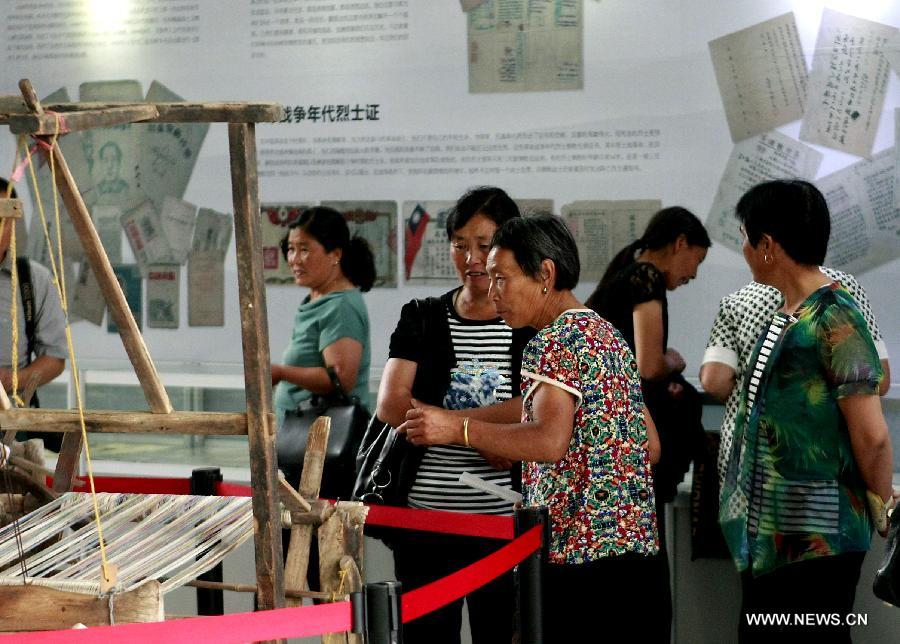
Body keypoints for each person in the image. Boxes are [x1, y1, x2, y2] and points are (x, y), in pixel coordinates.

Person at [399, 214, 665, 641]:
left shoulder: (552, 341)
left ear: (545, 273)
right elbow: (648, 445)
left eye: (502, 278)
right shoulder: (606, 334)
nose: (493, 291)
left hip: (576, 559)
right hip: (635, 556)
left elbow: (547, 440)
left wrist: (457, 430)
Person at [718, 179, 894, 643]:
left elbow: (871, 434)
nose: (744, 248)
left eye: (744, 236)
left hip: (816, 537)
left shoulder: (834, 315)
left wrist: (882, 506)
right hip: (775, 534)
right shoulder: (789, 312)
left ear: (768, 246)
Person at [375, 186, 530, 644]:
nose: (472, 257)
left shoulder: (526, 322)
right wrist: (484, 435)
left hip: (505, 521)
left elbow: (537, 406)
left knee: (500, 634)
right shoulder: (422, 316)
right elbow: (391, 402)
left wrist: (449, 426)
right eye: (460, 243)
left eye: (485, 245)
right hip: (426, 520)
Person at [585, 205, 710, 637]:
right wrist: (673, 362)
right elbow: (648, 364)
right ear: (680, 244)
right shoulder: (646, 277)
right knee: (644, 569)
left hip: (605, 442)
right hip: (630, 443)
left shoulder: (624, 271)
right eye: (697, 258)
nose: (693, 273)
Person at [701, 268, 890, 490]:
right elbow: (880, 380)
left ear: (766, 245)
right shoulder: (845, 292)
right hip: (824, 468)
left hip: (750, 464)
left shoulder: (738, 300)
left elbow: (714, 380)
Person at [272, 205, 375, 500]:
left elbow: (341, 378)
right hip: (304, 452)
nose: (295, 259)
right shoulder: (317, 299)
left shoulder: (340, 306)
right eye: (291, 249)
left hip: (325, 456)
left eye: (305, 249)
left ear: (336, 254)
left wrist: (280, 373)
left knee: (317, 544)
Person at [0, 178, 67, 450]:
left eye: (2, 217)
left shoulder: (32, 280)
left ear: (13, 224)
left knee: (14, 491)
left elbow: (55, 356)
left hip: (13, 424)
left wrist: (11, 381)